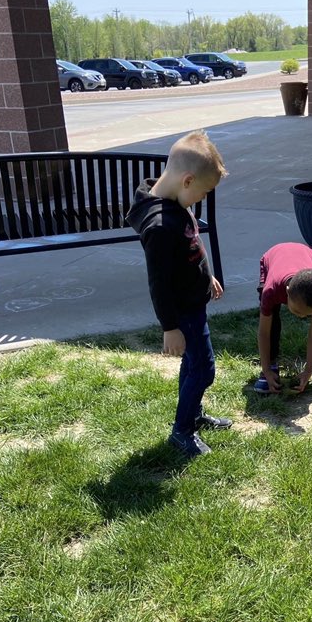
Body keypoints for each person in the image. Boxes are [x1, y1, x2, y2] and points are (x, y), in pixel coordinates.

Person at [126, 130, 231, 458]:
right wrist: (169, 327)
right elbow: (158, 284)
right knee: (204, 368)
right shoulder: (159, 226)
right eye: (202, 193)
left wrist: (208, 274)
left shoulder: (173, 199)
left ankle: (193, 414)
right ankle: (182, 430)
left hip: (194, 299)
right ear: (187, 180)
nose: (199, 200)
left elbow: (192, 242)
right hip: (183, 310)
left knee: (194, 362)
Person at [255, 241, 312, 394]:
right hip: (273, 257)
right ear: (287, 292)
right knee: (271, 319)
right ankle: (271, 366)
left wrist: (308, 370)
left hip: (309, 257)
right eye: (298, 311)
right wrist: (265, 367)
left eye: (307, 314)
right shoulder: (271, 290)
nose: (302, 316)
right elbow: (263, 332)